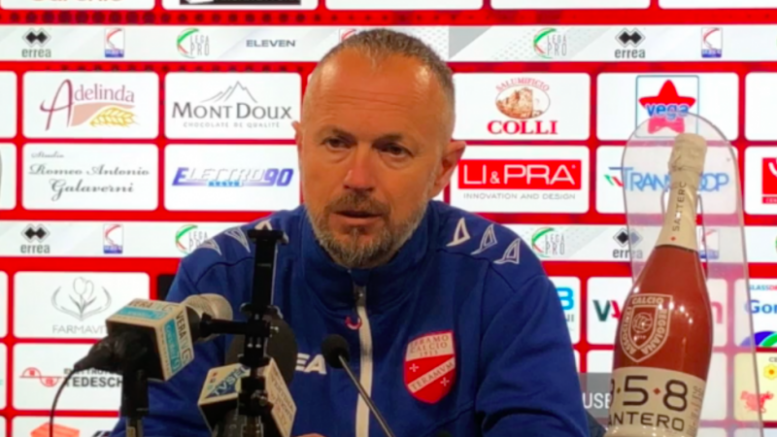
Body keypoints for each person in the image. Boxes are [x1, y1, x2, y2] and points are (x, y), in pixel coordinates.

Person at [110, 28, 597, 437]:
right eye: (336, 142)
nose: (358, 178)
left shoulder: (499, 277)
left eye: (393, 150)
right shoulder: (223, 275)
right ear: (301, 147)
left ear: (444, 168)